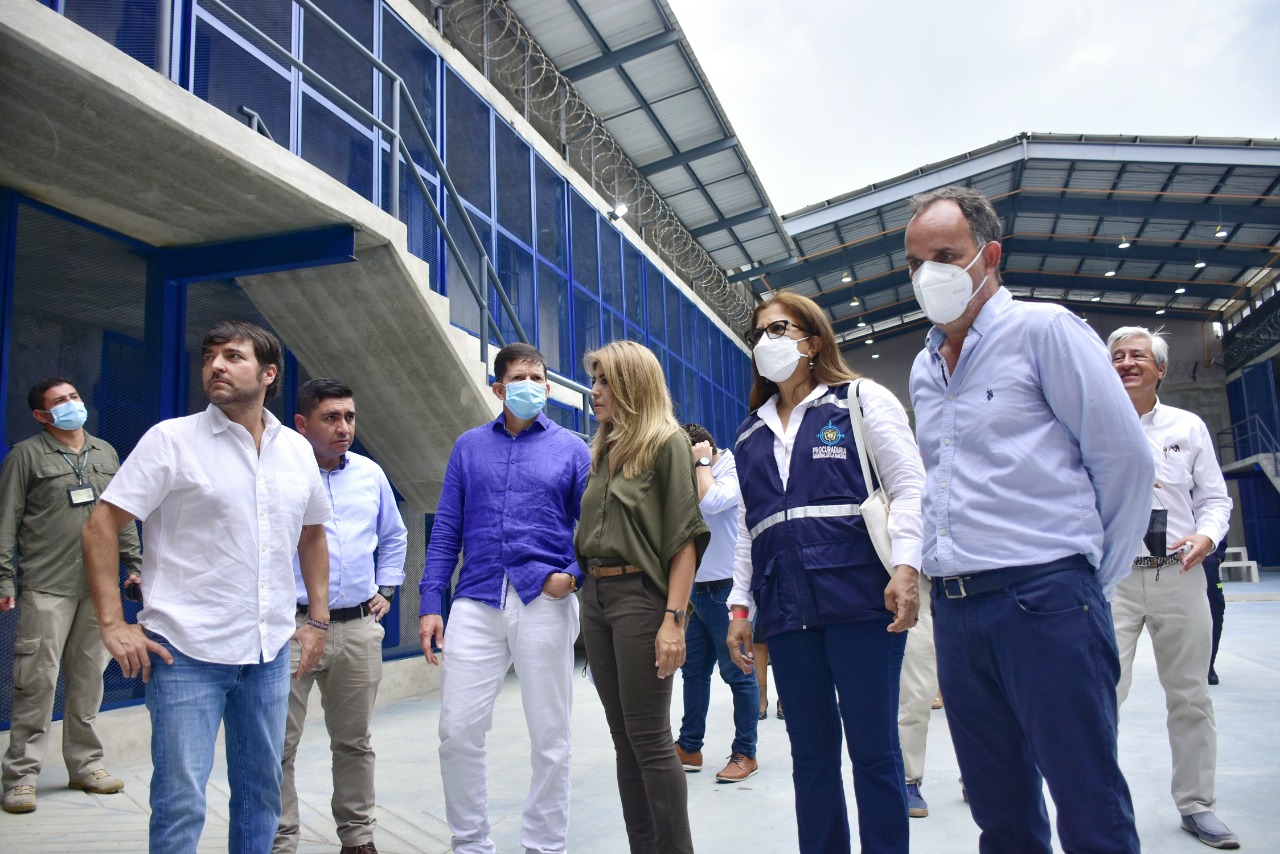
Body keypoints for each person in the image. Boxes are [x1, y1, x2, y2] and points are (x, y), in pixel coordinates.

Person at [906, 185, 1151, 854]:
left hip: (1044, 600)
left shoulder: (1043, 331)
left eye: (946, 256)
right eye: (915, 262)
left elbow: (1126, 462)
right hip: (957, 609)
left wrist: (1085, 580)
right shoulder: (925, 369)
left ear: (989, 256)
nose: (928, 275)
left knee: (1087, 798)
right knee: (1000, 809)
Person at [82, 321, 332, 854]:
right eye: (209, 356)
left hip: (266, 652)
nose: (216, 365)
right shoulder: (172, 440)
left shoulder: (296, 451)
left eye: (233, 356)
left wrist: (317, 620)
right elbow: (100, 525)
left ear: (268, 374)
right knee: (180, 801)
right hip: (184, 652)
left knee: (261, 795)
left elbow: (312, 534)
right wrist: (112, 624)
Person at [725, 290, 924, 854]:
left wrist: (906, 568)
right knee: (810, 757)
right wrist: (741, 607)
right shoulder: (749, 433)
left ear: (813, 341)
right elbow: (748, 528)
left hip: (862, 603)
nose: (768, 340)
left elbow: (910, 488)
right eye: (759, 332)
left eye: (779, 328)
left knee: (875, 752)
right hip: (786, 610)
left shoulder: (861, 401)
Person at [419, 342, 589, 854]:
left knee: (550, 734)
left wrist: (574, 576)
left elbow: (596, 528)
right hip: (477, 598)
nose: (531, 386)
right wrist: (431, 601)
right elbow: (447, 527)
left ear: (549, 387)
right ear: (498, 388)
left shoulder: (573, 449)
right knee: (458, 730)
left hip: (546, 599)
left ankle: (544, 845)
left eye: (538, 378)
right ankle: (470, 843)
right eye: (520, 378)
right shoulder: (469, 447)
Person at [575, 340, 709, 854]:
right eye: (595, 380)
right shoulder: (603, 449)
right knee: (623, 741)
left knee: (650, 739)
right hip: (597, 597)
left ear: (632, 385)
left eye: (605, 381)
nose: (595, 392)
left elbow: (684, 539)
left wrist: (673, 620)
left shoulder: (666, 443)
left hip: (640, 597)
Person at [1107, 326, 1238, 849]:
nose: (1126, 363)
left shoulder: (1187, 426)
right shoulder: (1089, 426)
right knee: (1100, 695)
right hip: (1114, 580)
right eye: (1117, 356)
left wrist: (1206, 536)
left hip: (1179, 575)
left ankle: (1197, 804)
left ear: (1160, 368)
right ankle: (1098, 804)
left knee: (1189, 696)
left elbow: (1216, 500)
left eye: (1138, 355)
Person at [274, 379, 408, 854]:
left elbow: (394, 535)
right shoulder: (279, 472)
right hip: (288, 629)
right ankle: (280, 841)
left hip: (355, 629)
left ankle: (358, 838)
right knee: (277, 745)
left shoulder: (370, 475)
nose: (344, 427)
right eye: (331, 417)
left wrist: (387, 588)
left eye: (349, 417)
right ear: (302, 424)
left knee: (354, 743)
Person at [0, 378, 142, 814]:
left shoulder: (105, 452)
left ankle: (86, 765)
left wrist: (134, 563)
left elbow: (122, 511)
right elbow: (7, 519)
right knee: (36, 682)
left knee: (89, 680)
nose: (71, 405)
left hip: (97, 590)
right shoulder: (25, 455)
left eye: (74, 397)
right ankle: (22, 777)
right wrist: (5, 579)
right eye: (60, 402)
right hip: (46, 585)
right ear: (42, 416)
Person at [672, 422, 759, 783]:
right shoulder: (691, 473)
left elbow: (712, 501)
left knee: (738, 674)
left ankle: (746, 753)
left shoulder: (734, 470)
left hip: (727, 592)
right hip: (696, 592)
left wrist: (702, 464)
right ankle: (689, 746)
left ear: (702, 450)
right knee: (693, 674)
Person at [897, 574, 938, 818]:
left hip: (975, 590)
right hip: (919, 598)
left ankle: (976, 777)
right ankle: (909, 780)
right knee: (916, 697)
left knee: (980, 699)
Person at [1204, 539, 1228, 685]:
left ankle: (1208, 665)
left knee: (1214, 612)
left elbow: (1219, 520)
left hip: (1206, 561)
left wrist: (1216, 557)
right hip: (1171, 561)